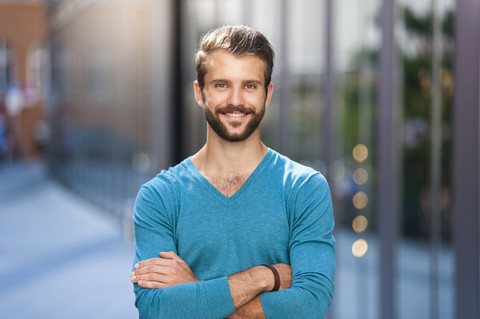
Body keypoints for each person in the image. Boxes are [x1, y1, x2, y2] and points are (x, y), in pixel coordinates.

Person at [130, 25, 335, 319]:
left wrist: (195, 290)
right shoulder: (159, 197)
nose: (236, 101)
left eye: (250, 85)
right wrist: (262, 276)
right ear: (200, 93)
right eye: (222, 85)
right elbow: (156, 309)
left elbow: (310, 305)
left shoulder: (304, 189)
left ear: (267, 94)